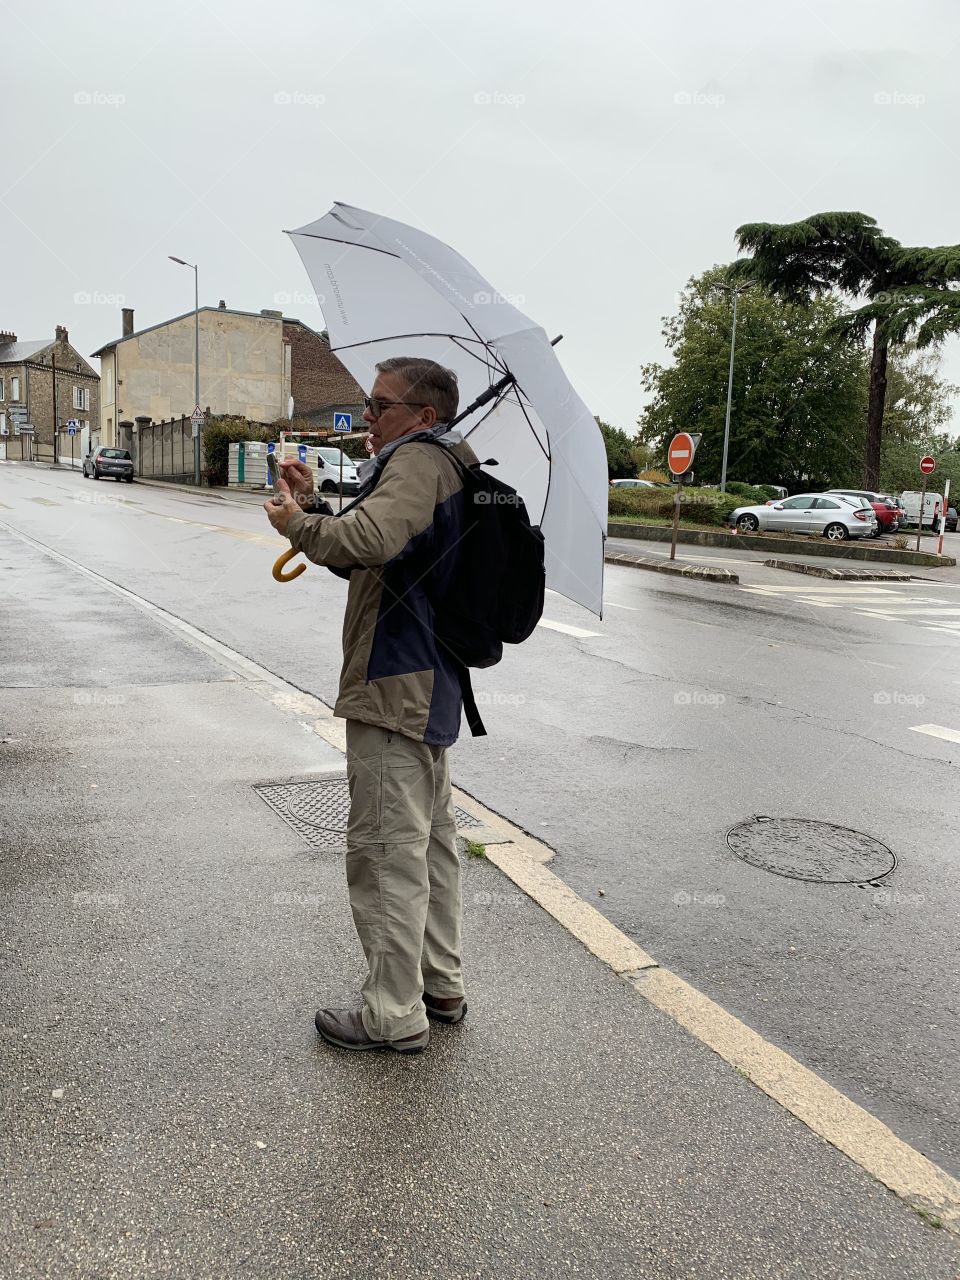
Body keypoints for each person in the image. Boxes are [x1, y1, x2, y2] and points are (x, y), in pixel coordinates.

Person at [264, 357, 478, 1055]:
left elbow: (370, 540)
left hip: (394, 686)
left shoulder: (417, 461)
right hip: (429, 684)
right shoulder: (450, 462)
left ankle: (392, 1015)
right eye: (369, 404)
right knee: (431, 847)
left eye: (381, 405)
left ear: (424, 416)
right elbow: (380, 556)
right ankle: (439, 986)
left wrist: (297, 525)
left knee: (386, 855)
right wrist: (315, 507)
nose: (368, 417)